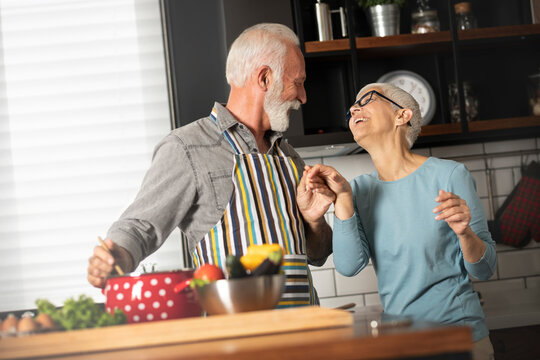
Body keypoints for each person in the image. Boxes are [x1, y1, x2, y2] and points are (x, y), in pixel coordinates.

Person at [87, 23, 334, 307]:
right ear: (264, 78)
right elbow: (139, 227)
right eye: (298, 82)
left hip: (306, 333)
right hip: (234, 340)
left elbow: (318, 255)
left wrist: (314, 222)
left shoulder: (288, 156)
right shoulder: (187, 147)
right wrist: (115, 256)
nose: (303, 96)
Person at [304, 83, 496, 360]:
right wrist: (343, 199)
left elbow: (485, 270)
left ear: (401, 116)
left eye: (367, 100)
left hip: (459, 337)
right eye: (352, 107)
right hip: (401, 342)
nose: (353, 109)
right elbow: (348, 266)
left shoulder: (451, 175)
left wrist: (465, 234)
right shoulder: (357, 190)